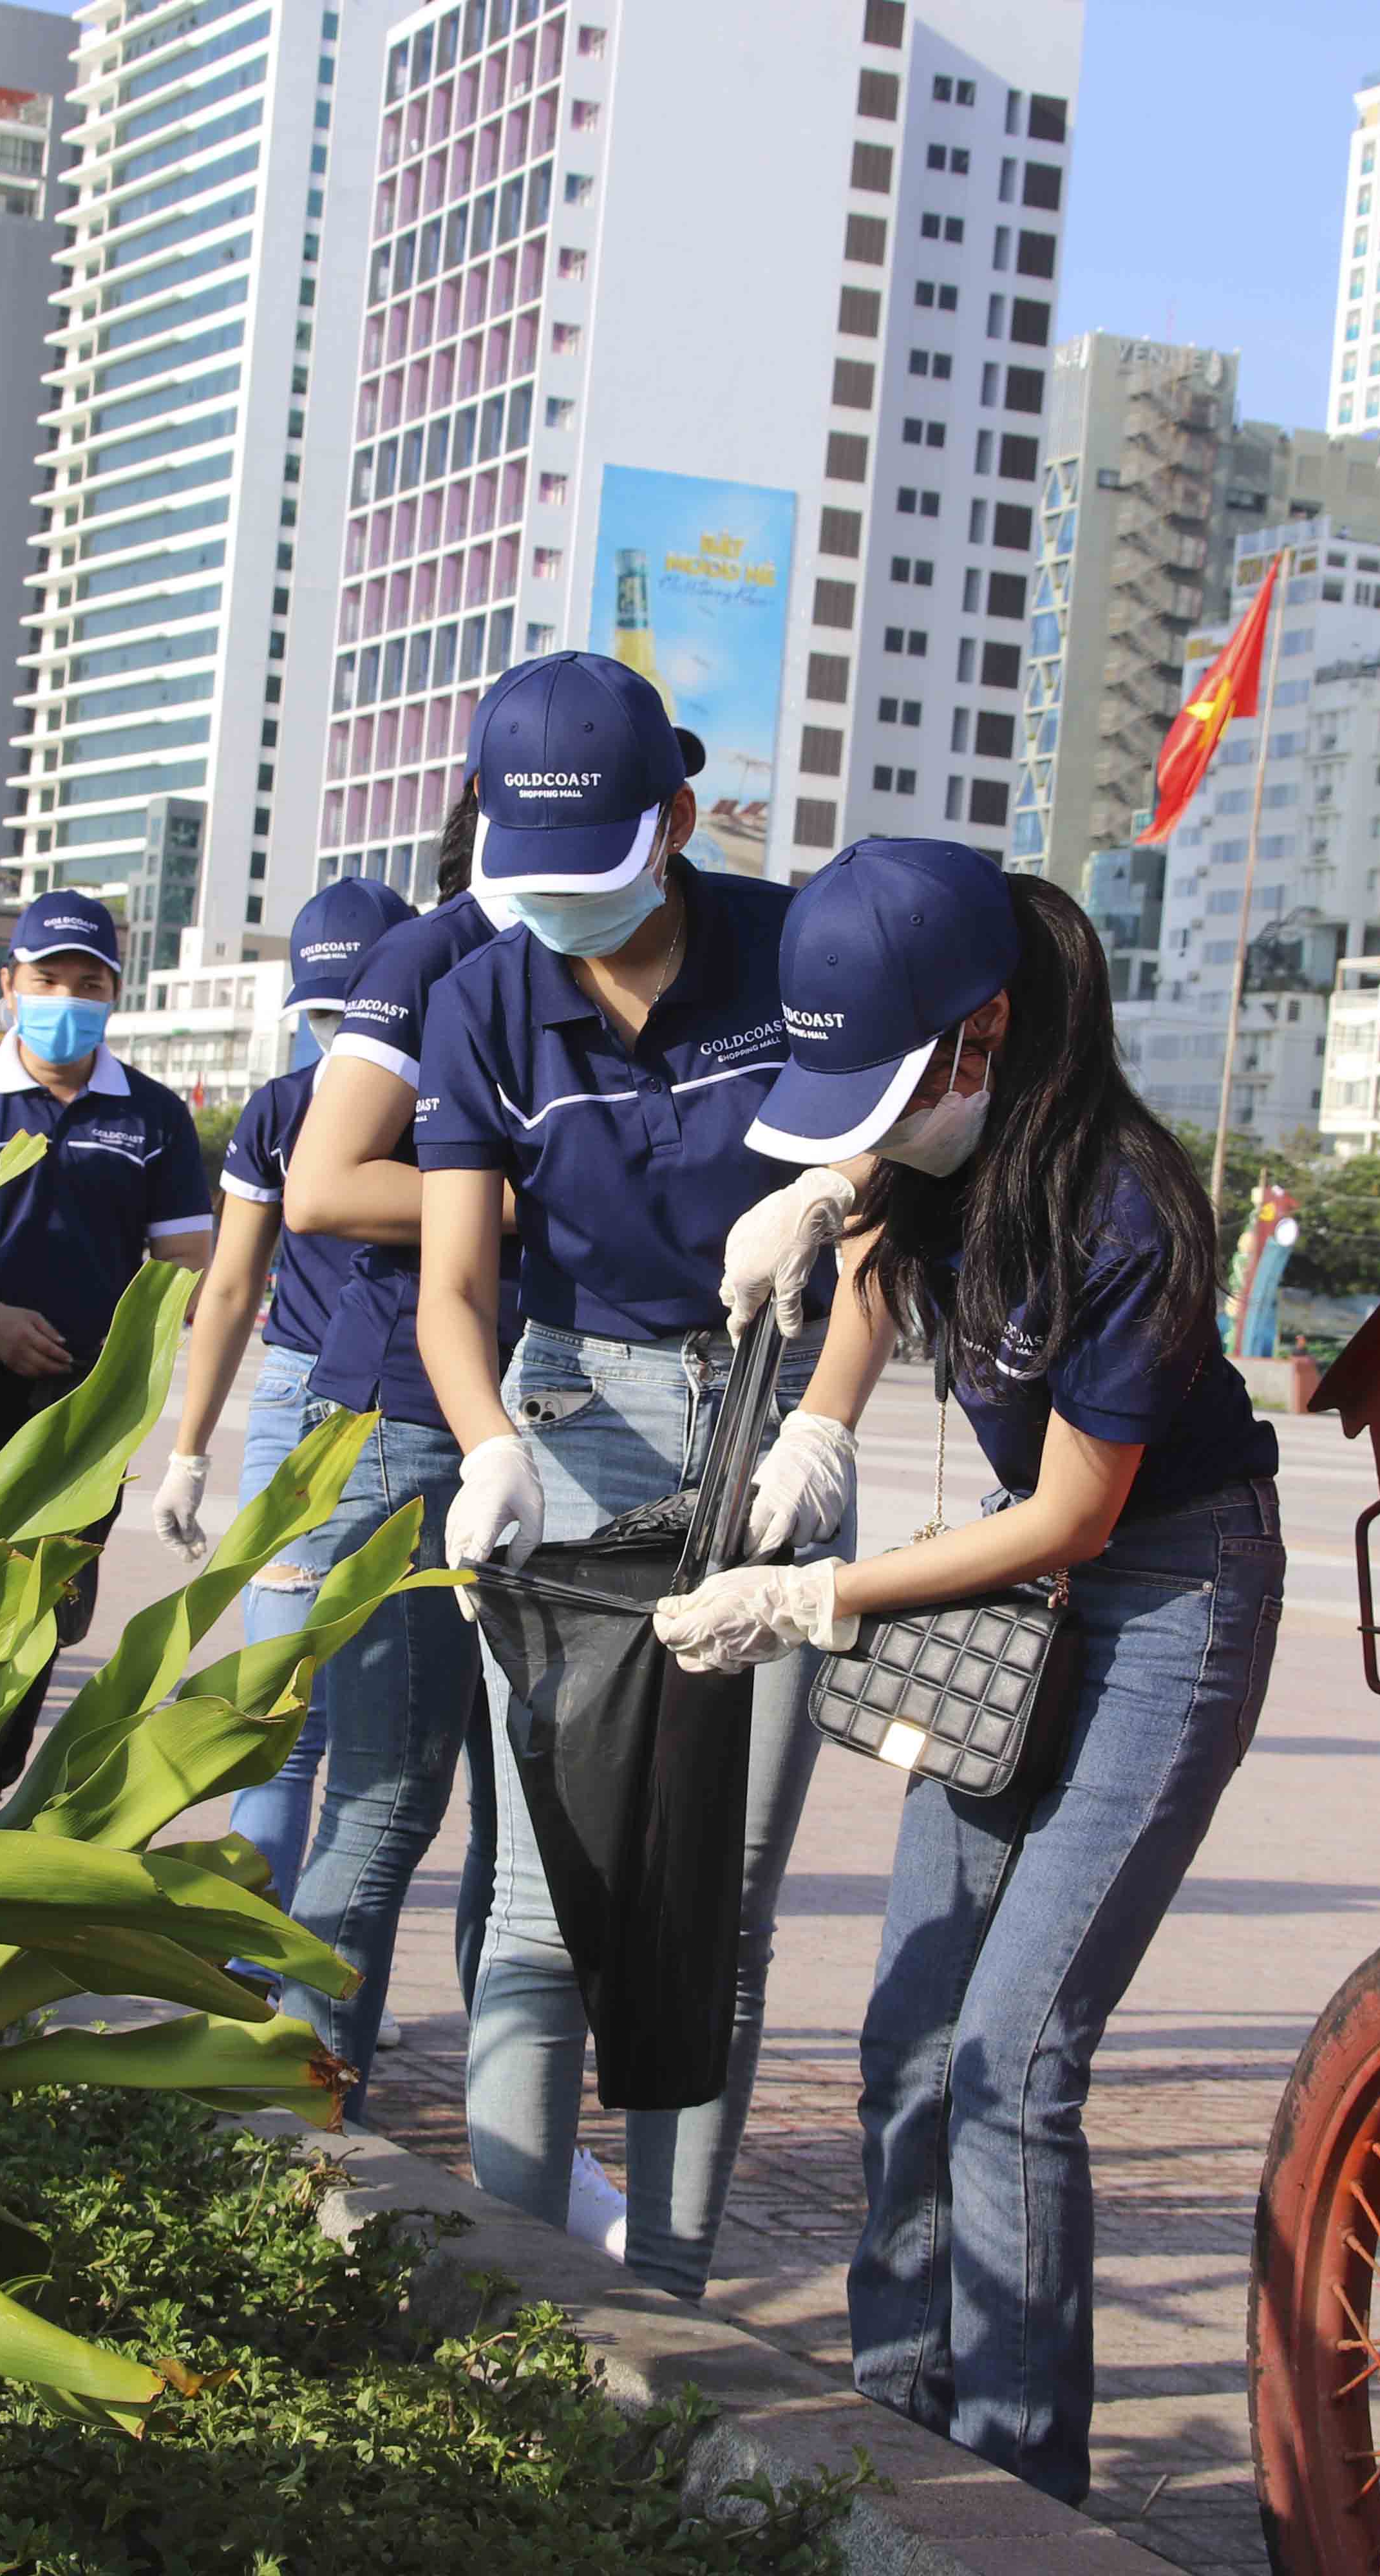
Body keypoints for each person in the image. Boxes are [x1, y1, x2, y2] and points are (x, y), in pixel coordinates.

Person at [654, 838, 1286, 2502]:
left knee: (1015, 2062)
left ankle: (1016, 2496)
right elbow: (874, 1252)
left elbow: (1079, 1514)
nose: (869, 1126)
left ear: (986, 1033)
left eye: (886, 1087)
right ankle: (889, 2448)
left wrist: (818, 1600)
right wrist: (811, 1427)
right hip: (1020, 1580)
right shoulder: (935, 1133)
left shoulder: (1129, 1201)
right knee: (910, 2039)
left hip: (1165, 1594)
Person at [411, 649, 846, 2300]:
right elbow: (457, 1282)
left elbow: (868, 1236)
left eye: (589, 879)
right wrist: (488, 1444)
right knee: (543, 1898)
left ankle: (666, 2296)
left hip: (765, 1435)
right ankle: (522, 2297)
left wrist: (825, 1423)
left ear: (675, 819)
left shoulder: (794, 955)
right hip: (570, 1423)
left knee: (716, 1906)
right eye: (529, 886)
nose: (561, 917)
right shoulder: (480, 998)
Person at [273, 788, 509, 2101]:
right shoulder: (431, 957)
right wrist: (522, 1193)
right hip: (406, 1421)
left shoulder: (626, 975)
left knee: (524, 1834)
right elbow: (321, 1186)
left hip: (555, 1423)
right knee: (381, 1794)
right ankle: (294, 2117)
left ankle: (511, 2124)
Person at [153, 873, 420, 1899]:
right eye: (319, 1015)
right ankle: (249, 1963)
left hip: (427, 1397)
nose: (334, 1036)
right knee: (279, 1712)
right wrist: (188, 1455)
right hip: (304, 1397)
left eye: (353, 1012)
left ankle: (324, 1972)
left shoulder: (451, 1100)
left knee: (385, 1735)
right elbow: (227, 1291)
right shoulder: (278, 1109)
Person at [0, 889, 214, 1797]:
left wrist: (116, 1355)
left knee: (44, 1603)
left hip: (83, 1408)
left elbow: (184, 1263)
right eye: (49, 978)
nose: (68, 997)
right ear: (9, 984)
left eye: (91, 983)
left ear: (116, 995)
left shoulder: (154, 1116)